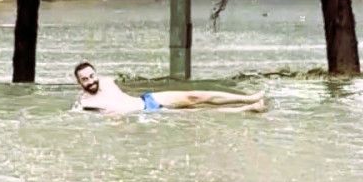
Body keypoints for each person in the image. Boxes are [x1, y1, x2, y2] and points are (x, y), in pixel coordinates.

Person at [71, 61, 266, 114]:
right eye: (85, 79)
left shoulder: (106, 81)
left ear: (96, 74)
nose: (90, 81)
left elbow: (130, 80)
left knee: (194, 97)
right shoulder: (86, 104)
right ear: (79, 83)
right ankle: (250, 108)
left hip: (147, 100)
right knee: (199, 111)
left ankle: (248, 98)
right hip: (146, 115)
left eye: (91, 76)